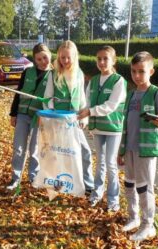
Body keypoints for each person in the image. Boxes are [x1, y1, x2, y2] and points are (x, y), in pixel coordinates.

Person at [117, 51, 158, 241]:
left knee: (145, 187)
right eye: (133, 71)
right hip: (129, 148)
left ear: (151, 71)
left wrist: (157, 120)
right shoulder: (131, 94)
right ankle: (134, 217)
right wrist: (121, 150)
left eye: (141, 71)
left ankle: (148, 225)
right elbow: (125, 124)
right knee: (129, 183)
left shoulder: (156, 93)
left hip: (145, 149)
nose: (137, 76)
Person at [78, 46, 127, 212]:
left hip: (113, 128)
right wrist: (85, 117)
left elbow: (111, 106)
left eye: (106, 58)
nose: (102, 62)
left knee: (111, 164)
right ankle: (97, 194)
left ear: (114, 60)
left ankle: (113, 200)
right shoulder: (93, 81)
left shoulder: (119, 81)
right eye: (99, 59)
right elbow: (87, 103)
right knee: (100, 163)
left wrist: (89, 112)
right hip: (98, 129)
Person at [43, 40, 94, 193]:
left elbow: (83, 99)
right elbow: (48, 98)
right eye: (62, 57)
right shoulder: (53, 74)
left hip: (75, 121)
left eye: (68, 57)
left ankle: (88, 185)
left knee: (85, 151)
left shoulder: (79, 74)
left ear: (74, 57)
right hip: (59, 121)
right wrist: (53, 115)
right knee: (59, 152)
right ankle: (58, 183)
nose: (65, 61)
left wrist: (84, 118)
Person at [7, 43, 53, 190]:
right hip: (22, 115)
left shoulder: (54, 75)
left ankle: (34, 177)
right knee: (19, 148)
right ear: (34, 60)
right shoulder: (27, 72)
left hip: (38, 117)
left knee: (35, 149)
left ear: (50, 55)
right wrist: (13, 113)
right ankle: (16, 178)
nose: (42, 62)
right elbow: (18, 93)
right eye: (39, 59)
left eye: (45, 58)